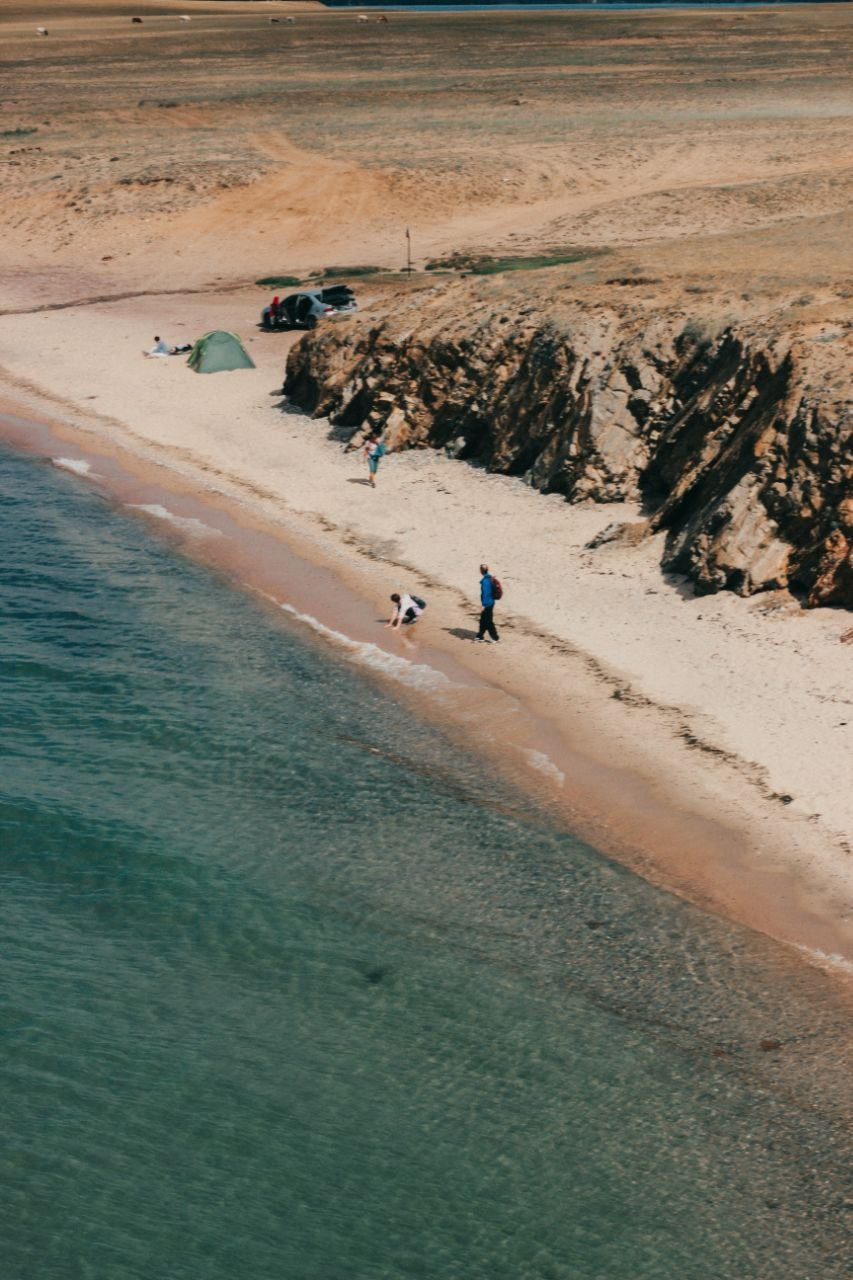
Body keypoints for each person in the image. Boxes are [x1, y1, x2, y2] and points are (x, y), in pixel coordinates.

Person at [476, 563, 500, 642]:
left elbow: (486, 594)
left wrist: (484, 605)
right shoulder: (490, 578)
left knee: (488, 621)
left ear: (481, 571)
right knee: (483, 620)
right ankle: (480, 636)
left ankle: (495, 638)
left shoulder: (486, 581)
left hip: (488, 604)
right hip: (491, 602)